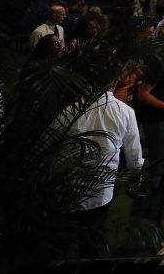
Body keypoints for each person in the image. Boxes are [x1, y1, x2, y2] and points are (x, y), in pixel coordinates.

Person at [61, 80, 144, 258]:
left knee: (62, 243)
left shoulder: (67, 112)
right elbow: (134, 152)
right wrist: (135, 176)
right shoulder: (125, 111)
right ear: (114, 84)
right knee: (92, 240)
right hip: (100, 189)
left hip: (67, 186)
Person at [131, 21, 164, 226]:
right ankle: (138, 215)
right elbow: (143, 95)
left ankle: (156, 206)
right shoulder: (160, 60)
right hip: (158, 120)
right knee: (157, 167)